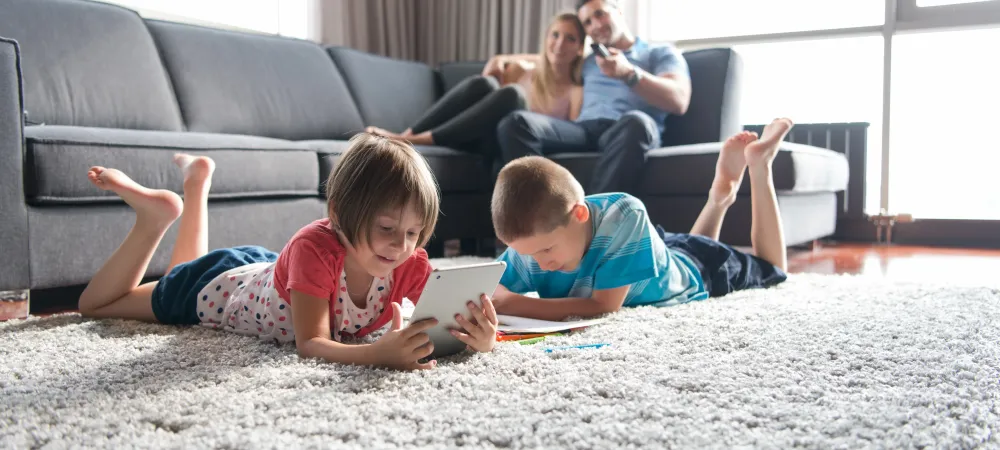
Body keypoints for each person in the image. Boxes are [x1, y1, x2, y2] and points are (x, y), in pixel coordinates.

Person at [76, 133, 499, 371]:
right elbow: (311, 343)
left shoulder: (406, 260)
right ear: (338, 215)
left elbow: (441, 323)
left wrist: (478, 337)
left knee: (181, 266)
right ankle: (155, 218)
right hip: (218, 289)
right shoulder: (315, 250)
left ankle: (195, 185)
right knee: (99, 304)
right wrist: (375, 354)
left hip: (266, 271)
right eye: (387, 229)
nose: (401, 245)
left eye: (413, 232)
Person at [488, 118, 795, 321]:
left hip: (699, 269)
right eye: (527, 255)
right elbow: (490, 289)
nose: (539, 264)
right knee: (680, 248)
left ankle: (759, 165)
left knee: (773, 269)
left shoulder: (625, 214)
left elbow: (603, 306)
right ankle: (719, 198)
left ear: (579, 215)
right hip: (655, 251)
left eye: (546, 251)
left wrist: (512, 303)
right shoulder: (534, 242)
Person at [491, 0, 692, 196]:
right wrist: (502, 58)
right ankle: (542, 213)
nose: (595, 25)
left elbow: (679, 100)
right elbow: (550, 56)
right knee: (516, 122)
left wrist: (629, 73)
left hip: (627, 129)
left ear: (619, 12)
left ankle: (594, 222)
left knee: (636, 122)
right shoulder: (588, 61)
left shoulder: (658, 53)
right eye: (587, 22)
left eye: (600, 14)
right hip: (583, 129)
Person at [366, 13, 586, 154]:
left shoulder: (576, 90)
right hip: (473, 133)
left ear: (580, 48)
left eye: (570, 38)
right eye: (555, 35)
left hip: (504, 143)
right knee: (485, 85)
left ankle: (413, 140)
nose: (559, 43)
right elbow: (499, 63)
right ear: (546, 38)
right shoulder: (526, 70)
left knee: (513, 95)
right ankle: (407, 135)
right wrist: (499, 61)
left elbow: (568, 134)